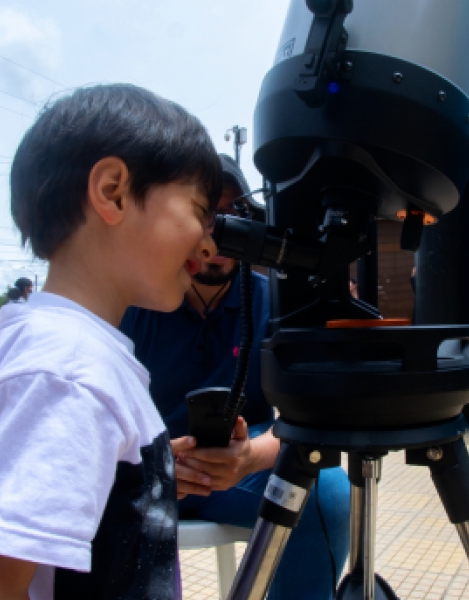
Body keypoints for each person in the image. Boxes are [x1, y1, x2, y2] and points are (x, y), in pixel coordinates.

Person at [0, 83, 221, 600]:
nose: (209, 243)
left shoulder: (79, 356)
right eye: (198, 209)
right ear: (113, 191)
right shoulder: (68, 372)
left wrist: (144, 487)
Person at [119, 154, 351, 600]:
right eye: (204, 215)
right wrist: (153, 461)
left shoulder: (274, 302)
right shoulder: (136, 303)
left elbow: (318, 419)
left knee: (327, 493)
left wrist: (252, 456)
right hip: (146, 467)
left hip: (244, 466)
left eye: (234, 216)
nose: (219, 233)